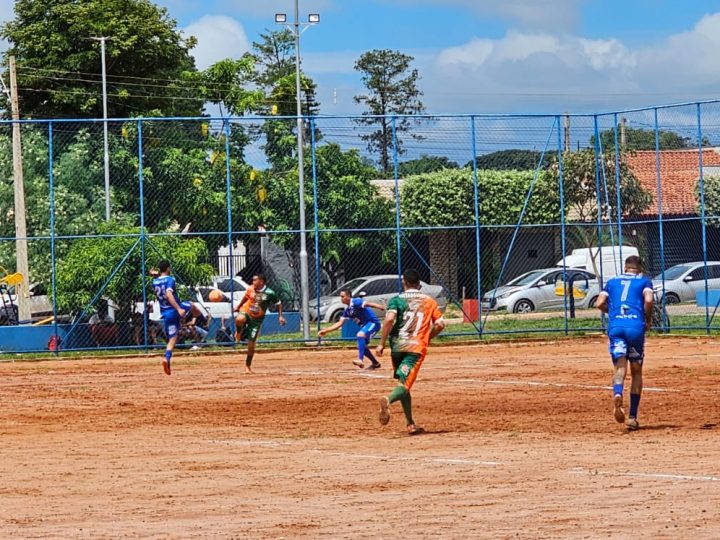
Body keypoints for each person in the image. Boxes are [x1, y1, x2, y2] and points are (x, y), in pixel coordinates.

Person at [375, 269, 445, 435]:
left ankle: (410, 424)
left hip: (397, 347)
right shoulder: (429, 301)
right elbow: (440, 324)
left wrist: (381, 344)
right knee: (405, 385)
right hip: (415, 349)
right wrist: (427, 337)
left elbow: (390, 319)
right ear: (419, 284)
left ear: (404, 282)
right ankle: (388, 400)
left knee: (404, 384)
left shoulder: (396, 300)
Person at [595, 254, 654, 431]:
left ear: (625, 267)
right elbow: (649, 300)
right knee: (636, 371)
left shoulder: (612, 282)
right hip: (635, 327)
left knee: (620, 366)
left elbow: (599, 303)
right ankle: (632, 417)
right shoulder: (644, 281)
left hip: (616, 327)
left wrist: (612, 312)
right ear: (640, 268)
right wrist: (647, 319)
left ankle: (618, 393)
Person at [151, 260, 201, 375]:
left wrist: (155, 275)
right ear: (168, 268)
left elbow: (160, 281)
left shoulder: (155, 281)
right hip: (174, 310)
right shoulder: (170, 280)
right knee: (192, 305)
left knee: (173, 338)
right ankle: (197, 317)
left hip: (165, 313)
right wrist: (178, 309)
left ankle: (167, 358)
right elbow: (168, 294)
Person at [317, 288, 385, 369]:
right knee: (362, 346)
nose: (341, 298)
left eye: (343, 296)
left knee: (360, 335)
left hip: (373, 323)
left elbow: (368, 304)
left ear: (348, 296)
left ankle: (360, 360)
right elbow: (340, 323)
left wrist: (380, 306)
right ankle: (375, 363)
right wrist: (326, 330)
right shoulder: (348, 310)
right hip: (365, 325)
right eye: (341, 296)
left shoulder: (356, 302)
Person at [234, 273, 286, 374]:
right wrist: (238, 306)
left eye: (255, 280)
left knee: (251, 344)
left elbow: (278, 303)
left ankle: (248, 366)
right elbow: (246, 296)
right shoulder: (250, 289)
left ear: (261, 281)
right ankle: (238, 333)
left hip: (257, 320)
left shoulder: (270, 293)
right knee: (239, 319)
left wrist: (280, 316)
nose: (253, 282)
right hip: (246, 311)